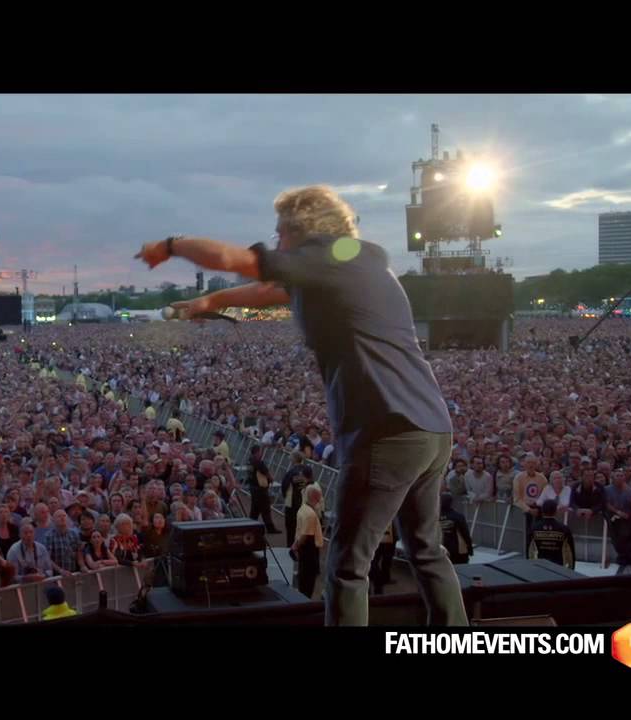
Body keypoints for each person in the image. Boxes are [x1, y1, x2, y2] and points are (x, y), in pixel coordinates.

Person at [138, 184, 465, 626]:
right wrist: (212, 301)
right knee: (426, 550)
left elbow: (236, 261)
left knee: (348, 565)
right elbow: (272, 292)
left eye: (279, 233)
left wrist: (170, 245)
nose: (275, 242)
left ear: (301, 230)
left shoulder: (327, 256)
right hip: (431, 428)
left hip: (386, 430)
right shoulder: (356, 261)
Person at [291, 485, 324, 599]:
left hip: (304, 549)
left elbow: (300, 531)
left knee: (303, 575)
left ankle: (303, 597)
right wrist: (295, 546)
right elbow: (305, 535)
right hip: (309, 549)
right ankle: (306, 599)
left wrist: (295, 545)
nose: (321, 499)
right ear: (315, 497)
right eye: (319, 497)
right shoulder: (311, 515)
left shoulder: (303, 508)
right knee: (309, 578)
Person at [526, 500, 576, 570]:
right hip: (559, 569)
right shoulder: (564, 529)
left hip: (540, 568)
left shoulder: (534, 528)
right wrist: (571, 570)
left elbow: (529, 550)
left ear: (542, 511)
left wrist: (530, 568)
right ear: (556, 511)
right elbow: (570, 553)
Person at [247, 446, 279, 534]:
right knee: (265, 509)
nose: (261, 453)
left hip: (253, 487)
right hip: (260, 489)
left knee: (255, 509)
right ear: (257, 452)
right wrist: (271, 479)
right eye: (260, 452)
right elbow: (266, 472)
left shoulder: (249, 461)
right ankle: (270, 528)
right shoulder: (258, 462)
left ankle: (250, 525)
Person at [438, 493, 474, 565]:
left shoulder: (433, 517)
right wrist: (470, 549)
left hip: (440, 550)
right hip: (457, 551)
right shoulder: (458, 516)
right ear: (451, 503)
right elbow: (465, 533)